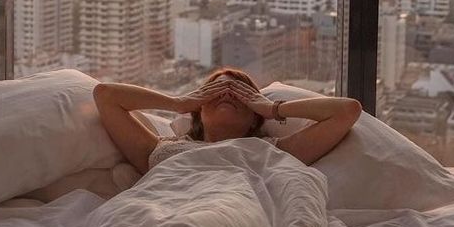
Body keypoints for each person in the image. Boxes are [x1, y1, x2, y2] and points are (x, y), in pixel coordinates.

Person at [93, 67, 362, 175]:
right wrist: (178, 103)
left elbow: (347, 111)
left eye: (239, 93)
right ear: (199, 109)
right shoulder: (160, 150)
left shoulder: (275, 151)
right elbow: (105, 95)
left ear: (254, 116)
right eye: (215, 92)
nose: (227, 95)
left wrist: (271, 109)